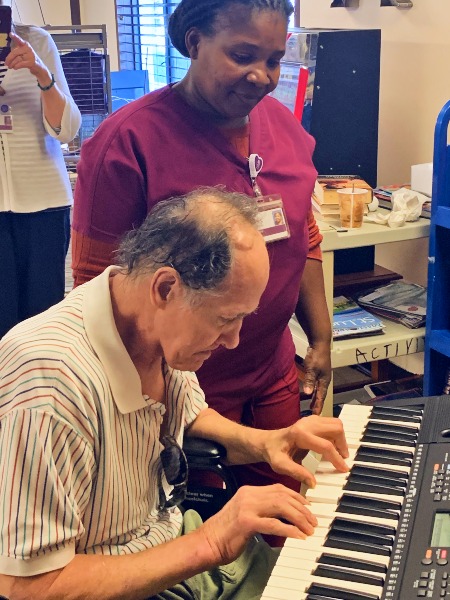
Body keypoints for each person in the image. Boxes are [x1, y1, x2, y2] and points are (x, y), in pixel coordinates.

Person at [0, 188, 348, 600]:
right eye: (226, 318)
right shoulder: (50, 384)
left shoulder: (143, 322)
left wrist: (269, 441)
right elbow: (31, 586)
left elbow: (187, 416)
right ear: (166, 288)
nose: (234, 339)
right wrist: (212, 542)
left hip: (168, 543)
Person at [72, 0, 332, 503]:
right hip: (178, 392)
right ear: (194, 42)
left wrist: (319, 338)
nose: (260, 76)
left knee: (281, 525)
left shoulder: (285, 129)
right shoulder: (126, 143)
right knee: (194, 538)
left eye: (274, 60)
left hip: (272, 372)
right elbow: (93, 290)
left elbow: (304, 233)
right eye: (242, 54)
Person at [0, 4, 82, 339]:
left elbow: (68, 131)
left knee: (42, 319)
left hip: (44, 203)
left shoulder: (37, 42)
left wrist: (40, 74)